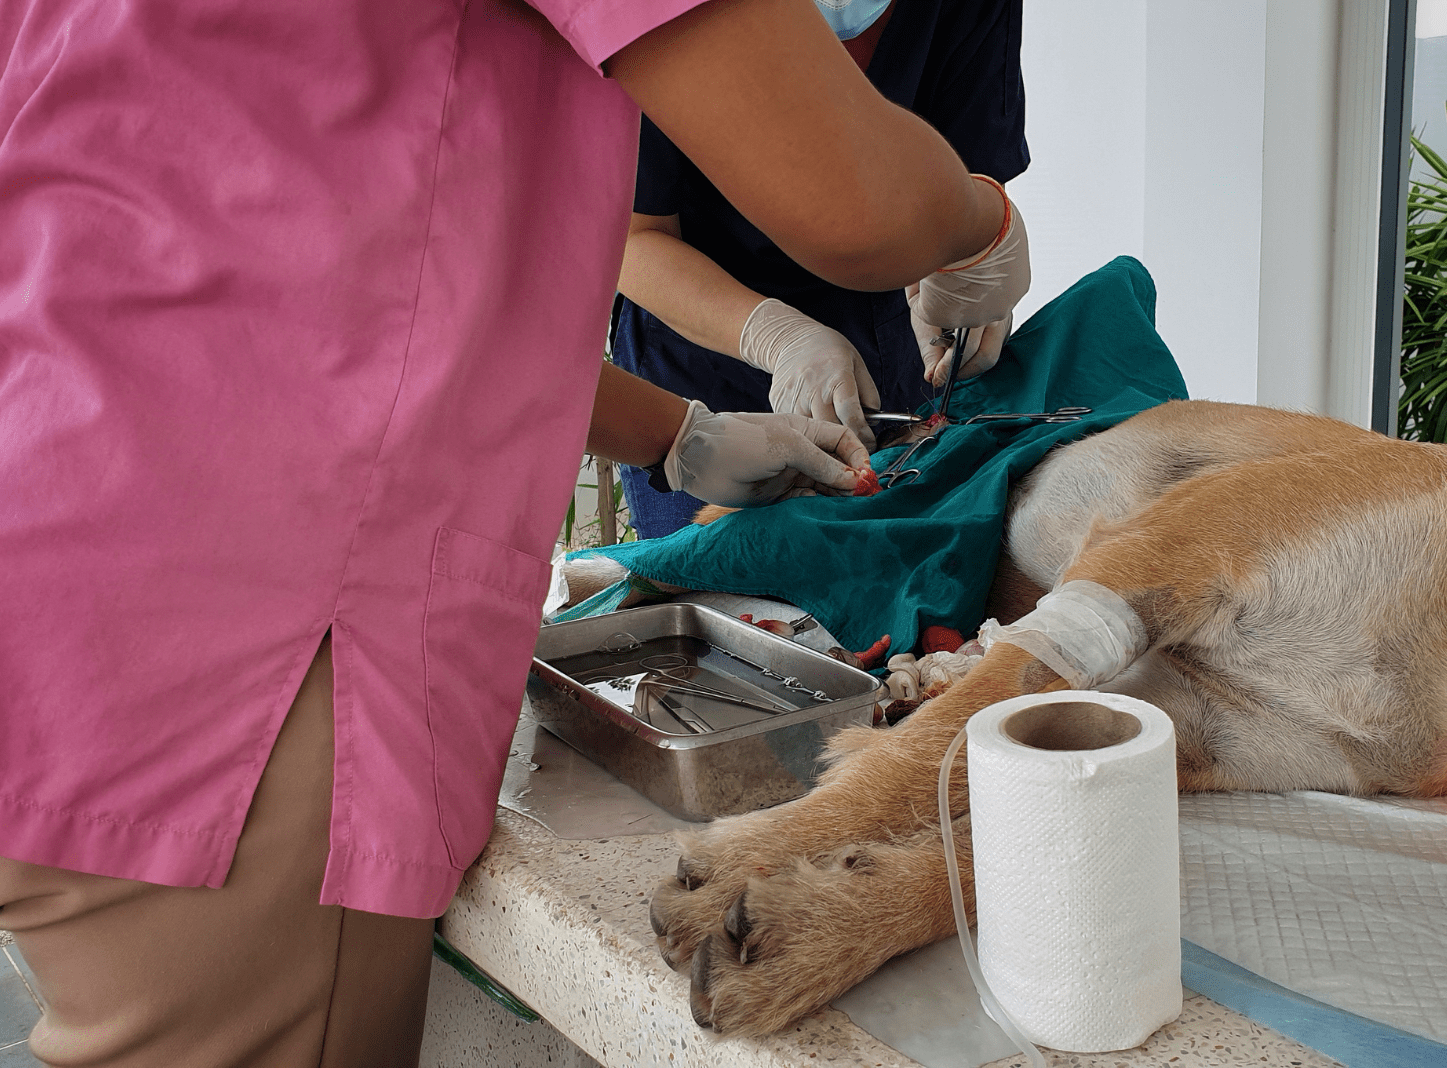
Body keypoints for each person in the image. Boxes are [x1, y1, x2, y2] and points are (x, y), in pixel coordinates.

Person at [0, 0, 1031, 1065]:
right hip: (224, 651)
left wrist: (677, 434)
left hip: (52, 536)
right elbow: (856, 201)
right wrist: (978, 226)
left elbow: (304, 260)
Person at [613, 0, 1029, 536]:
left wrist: (965, 269)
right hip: (699, 334)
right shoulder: (653, 16)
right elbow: (632, 237)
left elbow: (966, 175)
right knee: (732, 575)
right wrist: (777, 337)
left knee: (905, 555)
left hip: (896, 328)